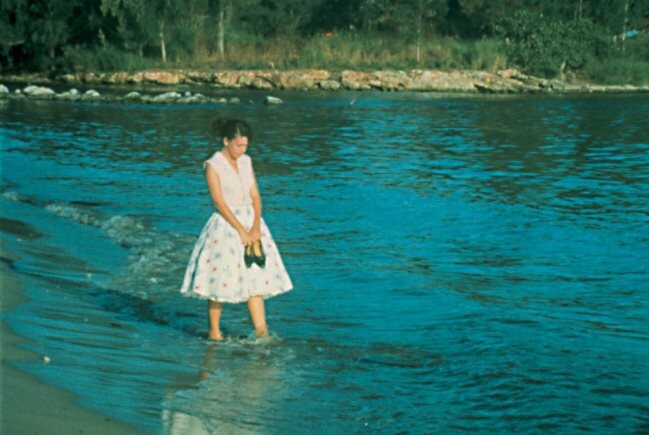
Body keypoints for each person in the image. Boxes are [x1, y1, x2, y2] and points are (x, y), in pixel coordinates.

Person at [180, 118, 293, 340]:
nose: (242, 150)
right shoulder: (213, 165)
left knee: (256, 276)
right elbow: (219, 202)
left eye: (245, 145)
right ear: (226, 141)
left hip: (252, 221)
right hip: (226, 224)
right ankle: (214, 331)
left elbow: (255, 196)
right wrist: (241, 230)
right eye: (239, 145)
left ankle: (261, 331)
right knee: (220, 277)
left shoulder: (246, 161)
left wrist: (255, 226)